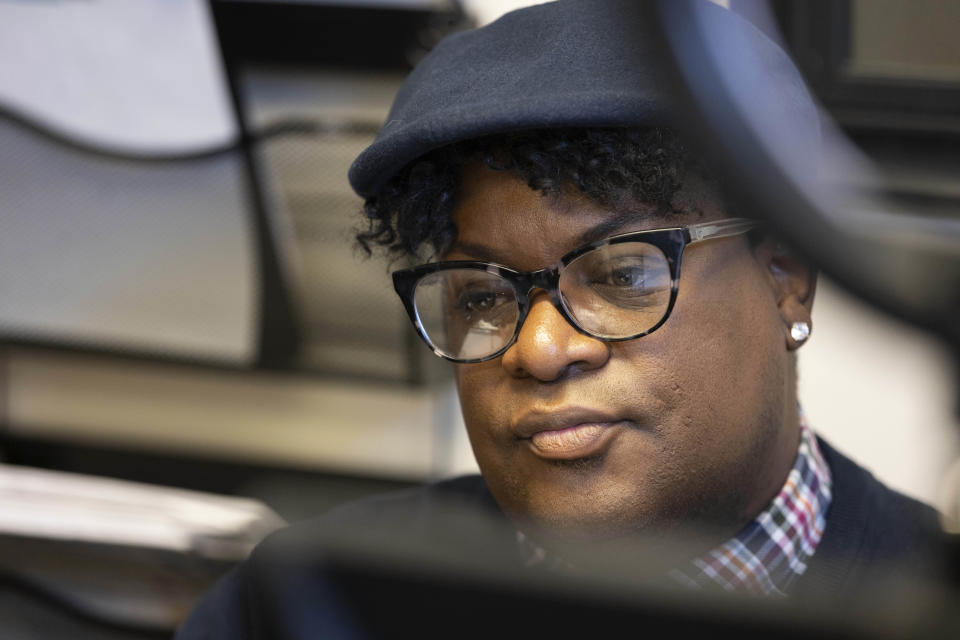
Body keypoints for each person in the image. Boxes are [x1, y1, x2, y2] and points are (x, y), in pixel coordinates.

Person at [177, 1, 945, 636]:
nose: (540, 349)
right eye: (481, 295)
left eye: (622, 273)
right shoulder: (310, 604)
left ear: (786, 278)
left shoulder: (926, 606)